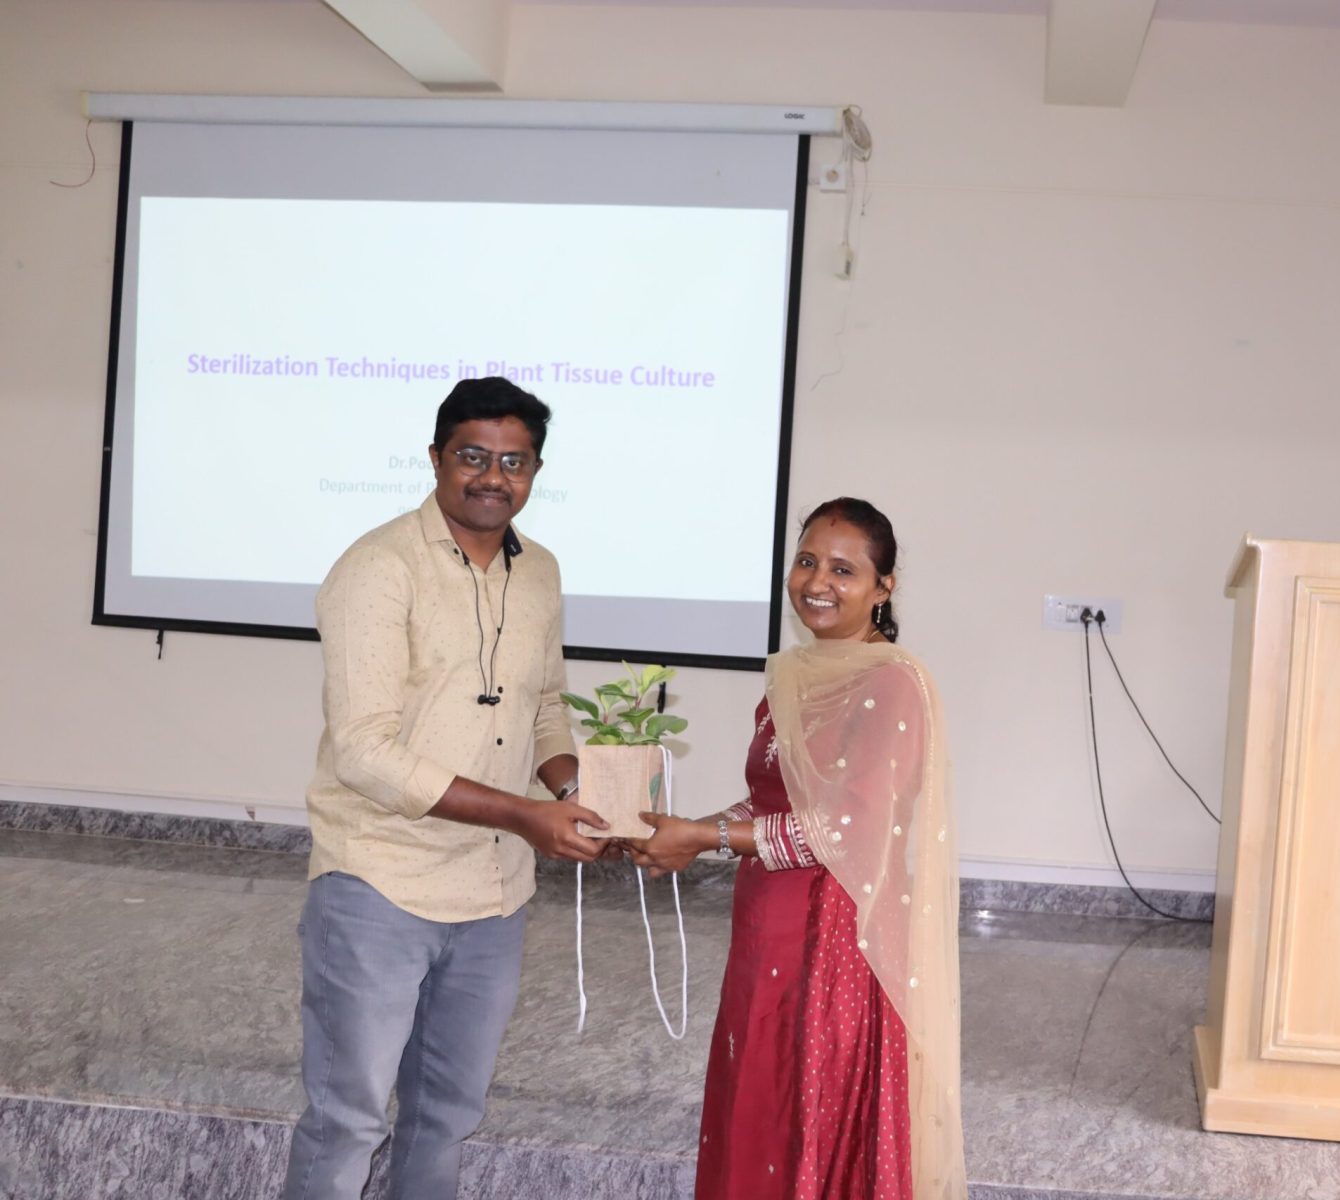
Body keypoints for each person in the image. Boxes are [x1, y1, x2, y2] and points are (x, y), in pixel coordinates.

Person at [284, 377, 611, 1200]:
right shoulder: (377, 567)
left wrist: (585, 795)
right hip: (380, 882)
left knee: (447, 1117)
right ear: (435, 459)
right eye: (473, 456)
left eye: (514, 462)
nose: (493, 477)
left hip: (494, 894)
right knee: (349, 1121)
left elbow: (545, 707)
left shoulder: (540, 572)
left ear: (535, 472)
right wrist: (526, 815)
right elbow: (364, 753)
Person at [628, 497, 967, 1200]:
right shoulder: (793, 674)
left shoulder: (892, 682)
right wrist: (687, 834)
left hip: (837, 936)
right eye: (807, 561)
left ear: (883, 587)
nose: (817, 582)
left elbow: (844, 828)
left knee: (809, 1110)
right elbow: (773, 801)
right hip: (767, 923)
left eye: (844, 570)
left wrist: (704, 837)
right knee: (757, 1089)